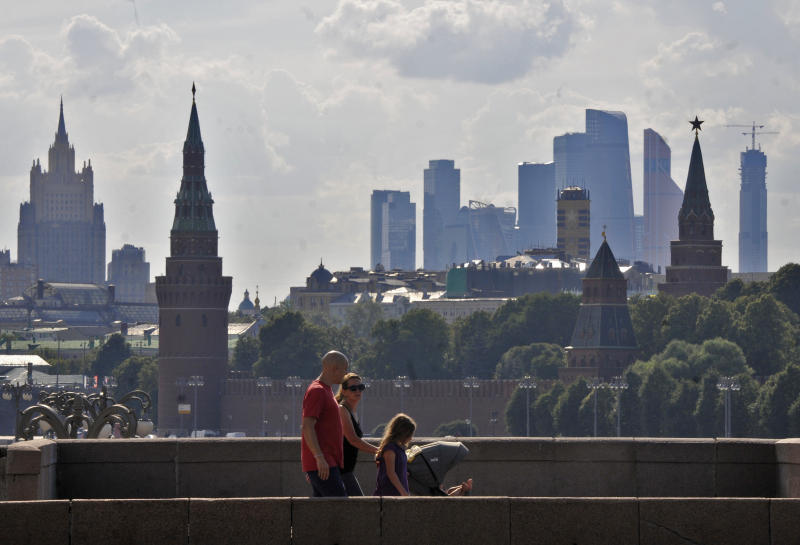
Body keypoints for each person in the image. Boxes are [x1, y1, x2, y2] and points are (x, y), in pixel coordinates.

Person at [301, 350, 350, 497]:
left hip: (326, 463)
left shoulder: (326, 390)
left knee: (323, 512)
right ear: (335, 369)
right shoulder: (317, 391)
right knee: (339, 507)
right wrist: (318, 458)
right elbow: (307, 426)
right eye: (344, 370)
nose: (345, 374)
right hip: (324, 463)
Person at [336, 373, 378, 496]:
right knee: (360, 506)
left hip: (347, 469)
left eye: (361, 387)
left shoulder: (352, 411)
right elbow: (353, 440)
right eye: (353, 388)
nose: (358, 391)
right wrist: (379, 450)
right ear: (344, 391)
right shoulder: (342, 410)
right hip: (340, 470)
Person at [374, 413, 416, 496]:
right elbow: (391, 473)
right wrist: (404, 493)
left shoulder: (400, 448)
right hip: (390, 493)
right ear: (402, 433)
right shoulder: (390, 449)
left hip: (398, 492)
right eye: (409, 435)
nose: (411, 438)